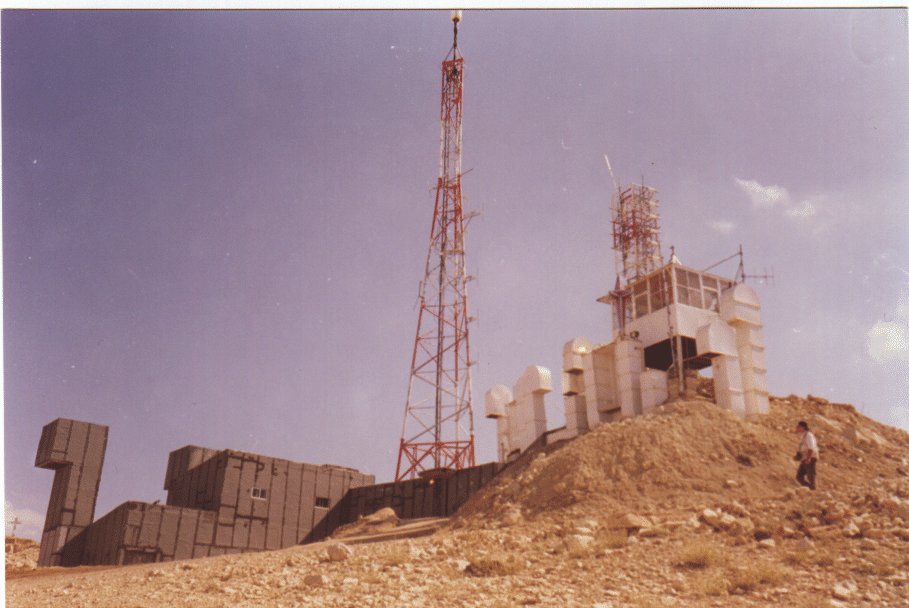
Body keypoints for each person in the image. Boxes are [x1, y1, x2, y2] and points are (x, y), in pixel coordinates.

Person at [794, 420, 818, 490]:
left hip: (810, 458)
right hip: (805, 458)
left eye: (798, 427)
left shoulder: (809, 435)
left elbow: (811, 448)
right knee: (799, 477)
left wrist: (808, 458)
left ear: (802, 427)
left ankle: (813, 490)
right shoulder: (804, 436)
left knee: (811, 475)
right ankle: (810, 489)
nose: (797, 428)